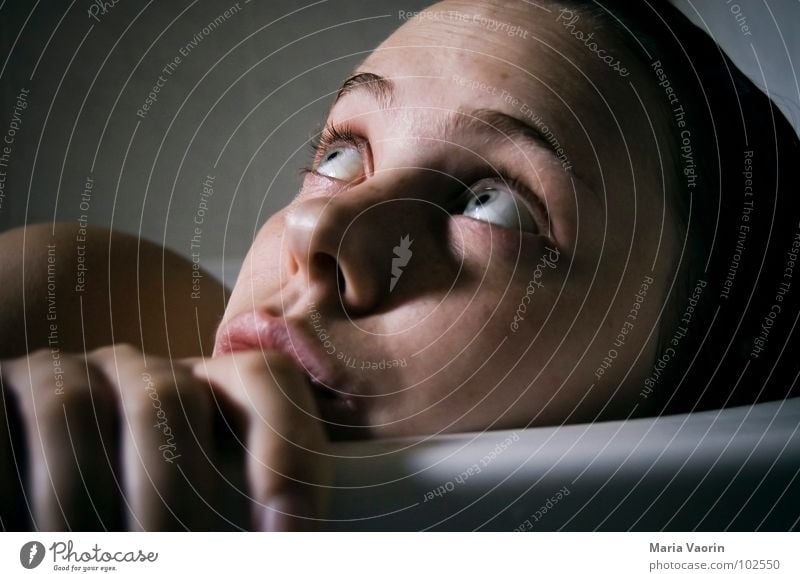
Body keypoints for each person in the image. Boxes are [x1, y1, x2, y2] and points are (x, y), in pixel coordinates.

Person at [0, 0, 797, 531]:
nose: (316, 225)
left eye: (496, 205)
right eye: (341, 153)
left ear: (695, 384)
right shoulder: (70, 299)